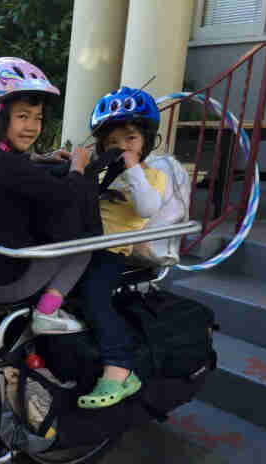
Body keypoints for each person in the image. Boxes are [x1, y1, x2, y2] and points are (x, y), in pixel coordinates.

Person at [0, 57, 103, 336]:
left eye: (37, 118)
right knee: (86, 242)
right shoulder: (11, 167)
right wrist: (78, 165)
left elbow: (17, 172)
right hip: (10, 284)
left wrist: (41, 158)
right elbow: (70, 197)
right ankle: (47, 312)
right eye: (22, 116)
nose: (31, 126)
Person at [75, 86, 166, 409]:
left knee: (94, 296)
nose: (122, 147)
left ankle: (120, 369)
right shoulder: (99, 175)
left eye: (130, 139)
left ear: (146, 140)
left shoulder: (150, 176)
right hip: (79, 244)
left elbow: (146, 208)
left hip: (112, 251)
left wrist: (133, 170)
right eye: (113, 142)